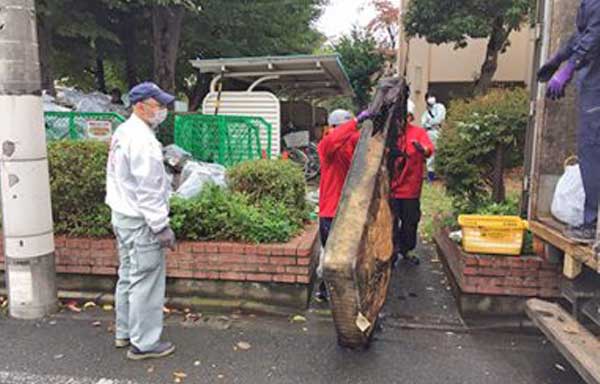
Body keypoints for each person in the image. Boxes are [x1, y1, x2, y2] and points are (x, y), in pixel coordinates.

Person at [106, 82, 177, 360]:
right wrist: (161, 226)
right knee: (146, 281)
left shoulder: (123, 132)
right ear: (139, 105)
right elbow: (148, 189)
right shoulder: (143, 140)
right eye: (158, 105)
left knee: (128, 275)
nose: (163, 110)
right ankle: (144, 343)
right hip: (141, 222)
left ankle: (124, 332)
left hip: (122, 216)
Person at [538, 0, 600, 243]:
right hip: (592, 85)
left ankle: (591, 223)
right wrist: (557, 59)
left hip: (597, 87)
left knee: (593, 151)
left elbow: (593, 37)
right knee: (590, 153)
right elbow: (581, 35)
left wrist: (569, 68)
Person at [315, 109, 364, 301]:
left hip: (350, 209)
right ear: (333, 128)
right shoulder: (326, 146)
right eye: (343, 128)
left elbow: (361, 140)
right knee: (330, 254)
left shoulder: (351, 142)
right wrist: (355, 121)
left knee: (349, 252)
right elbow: (335, 139)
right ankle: (325, 289)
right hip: (331, 210)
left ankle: (346, 289)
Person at [390, 100, 435, 267]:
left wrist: (423, 150)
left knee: (410, 222)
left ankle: (407, 249)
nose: (403, 120)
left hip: (410, 188)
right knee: (391, 223)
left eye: (407, 116)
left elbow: (429, 149)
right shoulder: (391, 135)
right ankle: (391, 252)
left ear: (410, 117)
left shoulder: (418, 132)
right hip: (392, 189)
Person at [420, 93, 446, 182]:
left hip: (439, 132)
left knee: (440, 153)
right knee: (430, 155)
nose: (430, 99)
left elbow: (439, 119)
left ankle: (440, 176)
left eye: (432, 96)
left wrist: (430, 122)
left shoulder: (440, 107)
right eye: (428, 97)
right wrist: (431, 123)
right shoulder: (426, 112)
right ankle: (431, 177)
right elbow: (423, 123)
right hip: (429, 133)